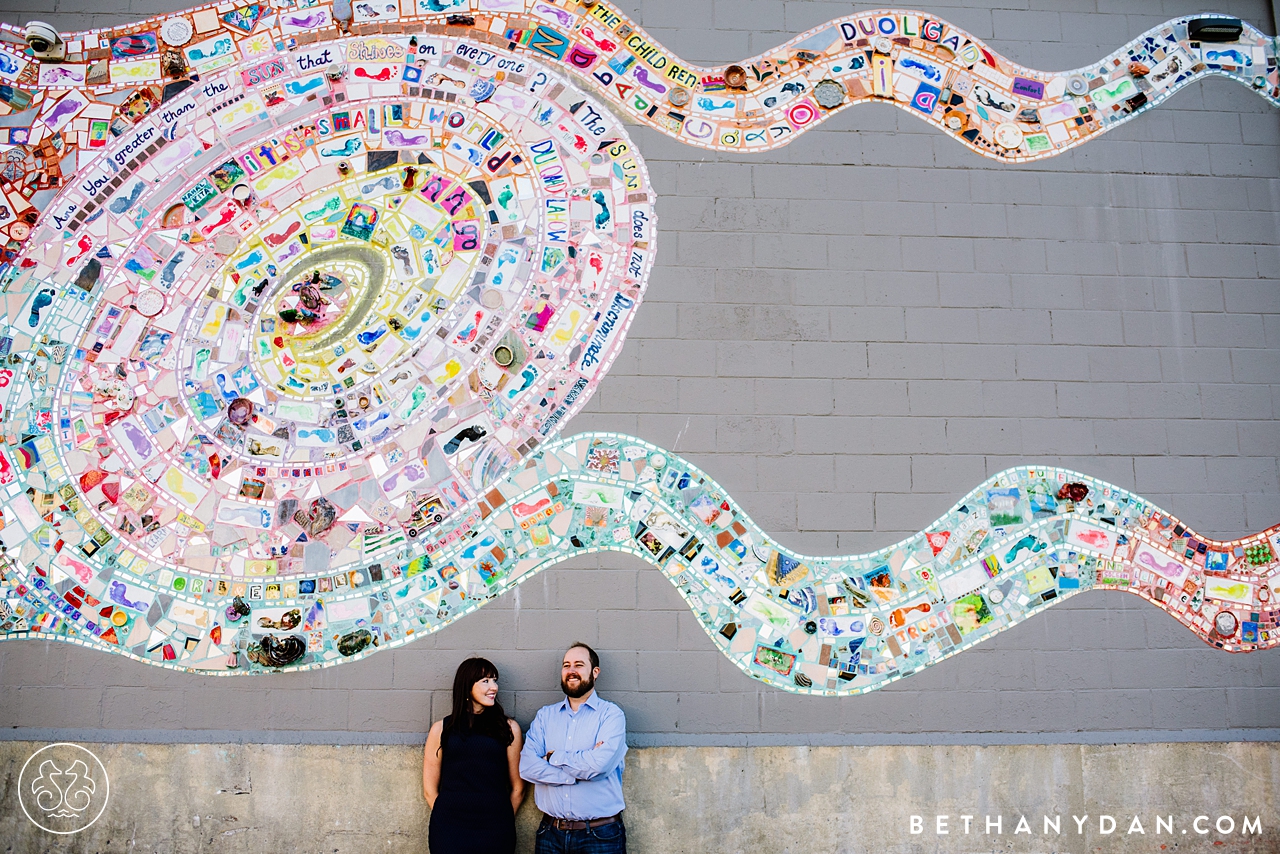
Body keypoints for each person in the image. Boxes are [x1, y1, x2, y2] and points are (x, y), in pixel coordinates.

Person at [519, 642, 628, 853]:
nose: (571, 671)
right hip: (550, 834)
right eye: (566, 665)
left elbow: (599, 766)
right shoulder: (545, 716)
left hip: (600, 836)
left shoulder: (611, 715)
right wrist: (576, 775)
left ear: (595, 672)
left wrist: (552, 757)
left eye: (579, 665)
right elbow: (526, 767)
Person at [423, 657, 525, 854]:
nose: (493, 687)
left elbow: (518, 788)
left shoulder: (509, 728)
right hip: (449, 830)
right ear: (467, 686)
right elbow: (429, 789)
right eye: (485, 681)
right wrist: (446, 816)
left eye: (494, 680)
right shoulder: (441, 729)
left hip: (495, 830)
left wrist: (501, 818)